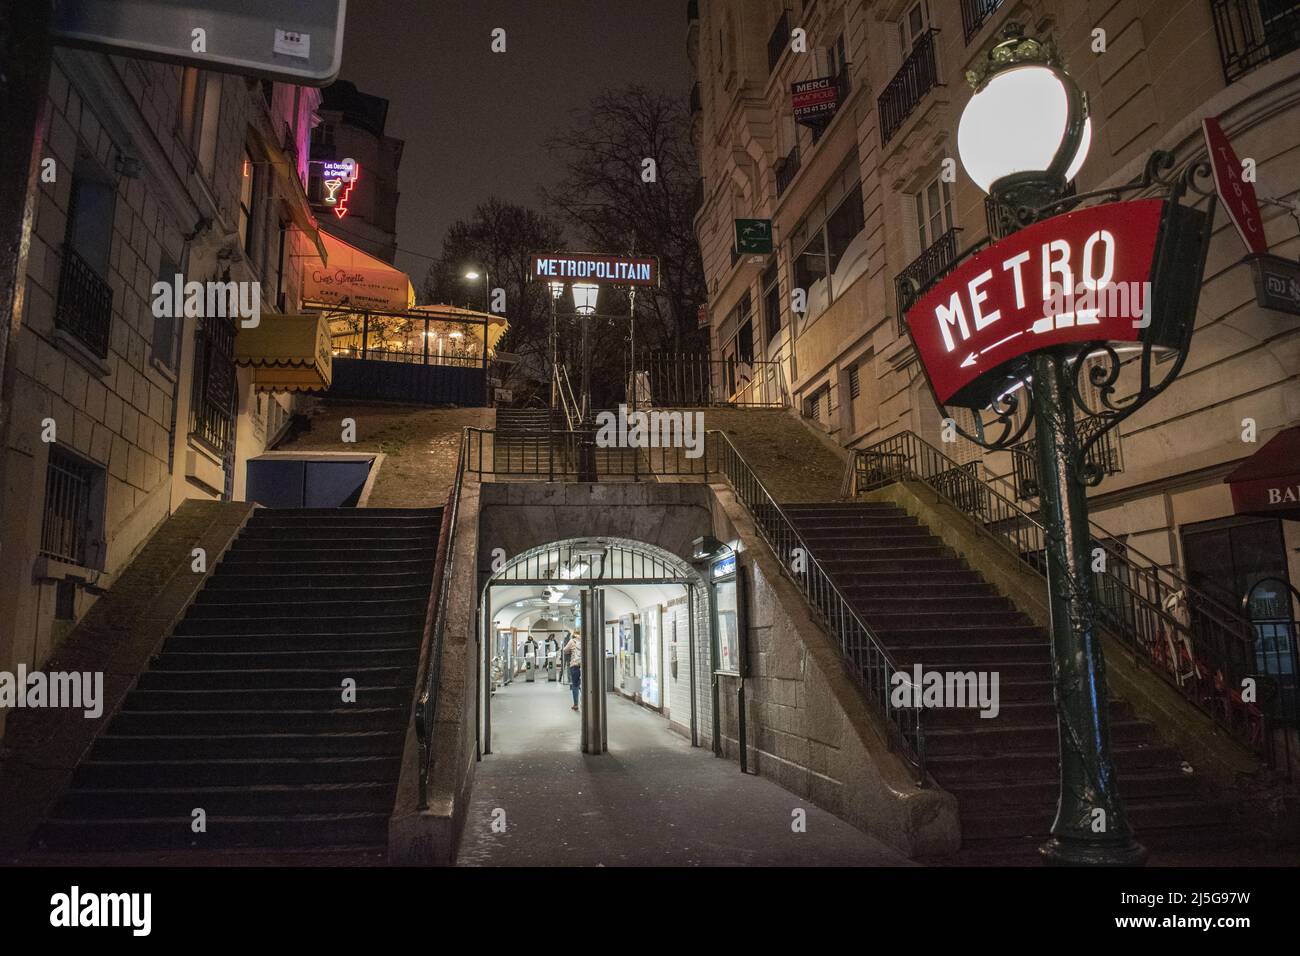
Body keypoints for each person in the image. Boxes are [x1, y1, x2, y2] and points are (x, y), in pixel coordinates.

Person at [564, 631, 582, 710]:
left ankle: (576, 704)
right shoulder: (585, 640)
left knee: (575, 685)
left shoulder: (572, 641)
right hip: (584, 665)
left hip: (575, 665)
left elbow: (565, 650)